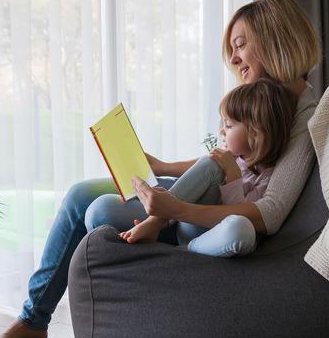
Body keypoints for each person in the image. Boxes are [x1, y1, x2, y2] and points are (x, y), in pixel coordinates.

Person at [0, 0, 321, 338]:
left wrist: (172, 211)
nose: (234, 59)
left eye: (240, 46)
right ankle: (32, 320)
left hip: (208, 218)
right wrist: (160, 167)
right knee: (82, 194)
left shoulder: (305, 115)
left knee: (97, 211)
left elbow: (271, 211)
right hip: (201, 200)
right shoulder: (263, 96)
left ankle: (152, 224)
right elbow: (225, 163)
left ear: (274, 40)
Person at [119, 77, 297, 257]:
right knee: (210, 162)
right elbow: (201, 171)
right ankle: (155, 222)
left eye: (228, 125)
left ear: (256, 133)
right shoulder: (230, 159)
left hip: (215, 240)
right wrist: (163, 167)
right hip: (192, 225)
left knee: (242, 229)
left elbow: (236, 214)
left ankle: (181, 253)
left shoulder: (267, 177)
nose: (222, 131)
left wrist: (233, 174)